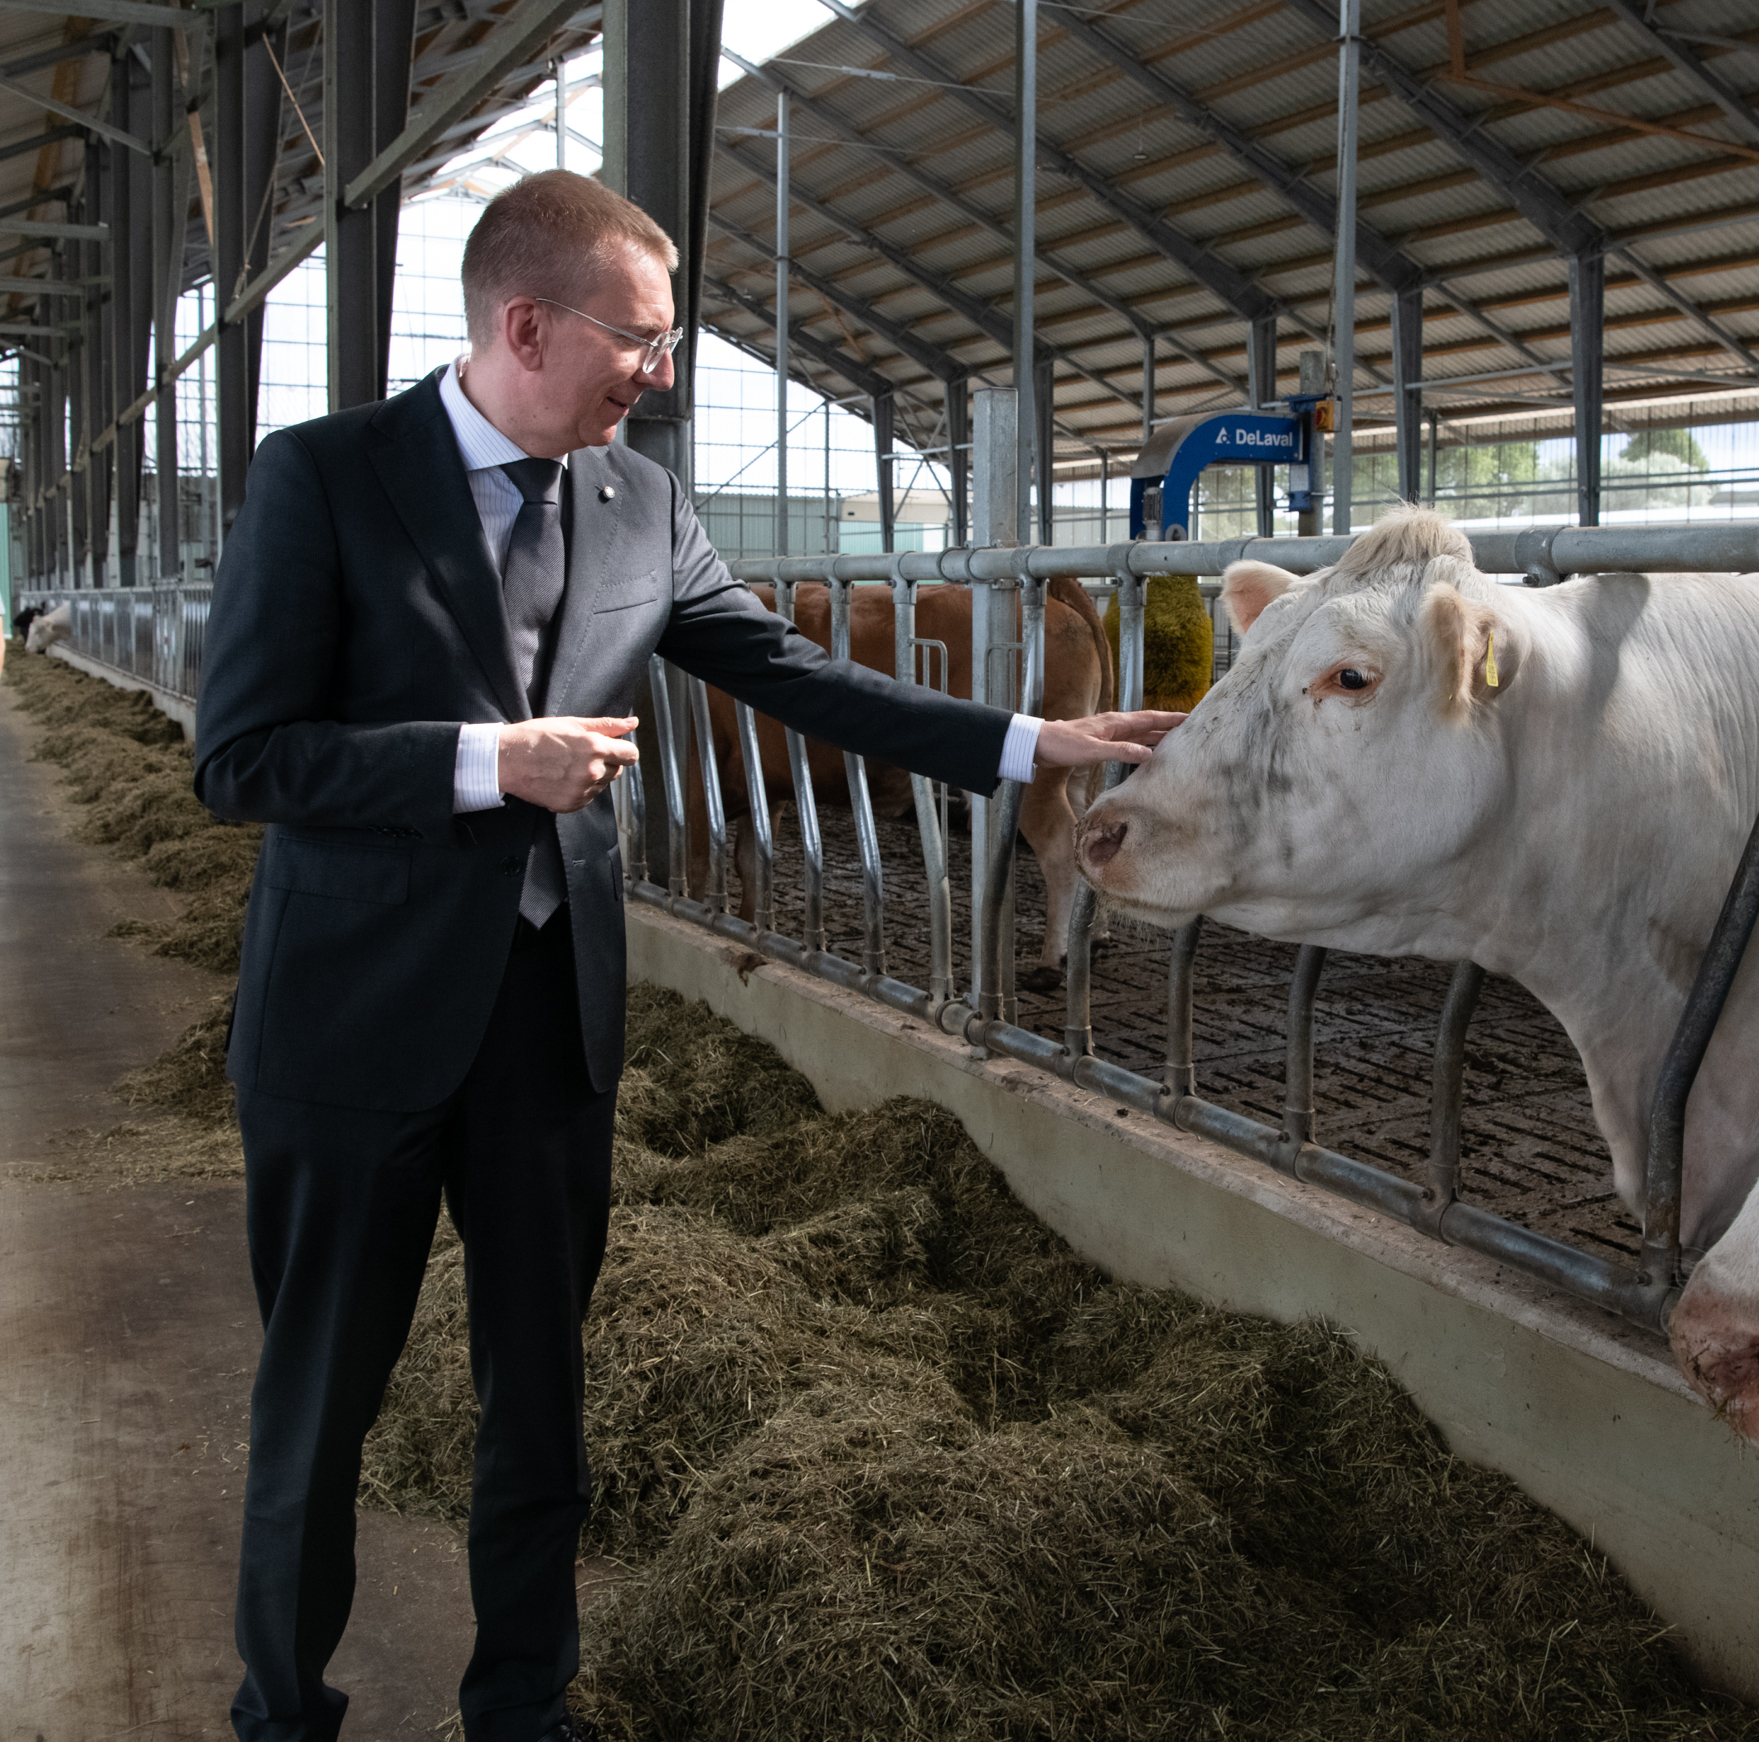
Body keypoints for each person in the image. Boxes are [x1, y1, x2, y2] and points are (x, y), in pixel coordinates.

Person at [193, 170, 1180, 1742]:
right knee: (320, 1401)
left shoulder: (641, 503)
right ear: (526, 324)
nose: (658, 376)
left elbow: (793, 673)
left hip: (545, 1021)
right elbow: (241, 756)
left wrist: (1026, 740)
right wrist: (483, 762)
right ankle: (282, 1712)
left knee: (542, 1395)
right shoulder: (322, 476)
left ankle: (525, 1704)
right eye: (639, 341)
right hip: (349, 1023)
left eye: (666, 346)